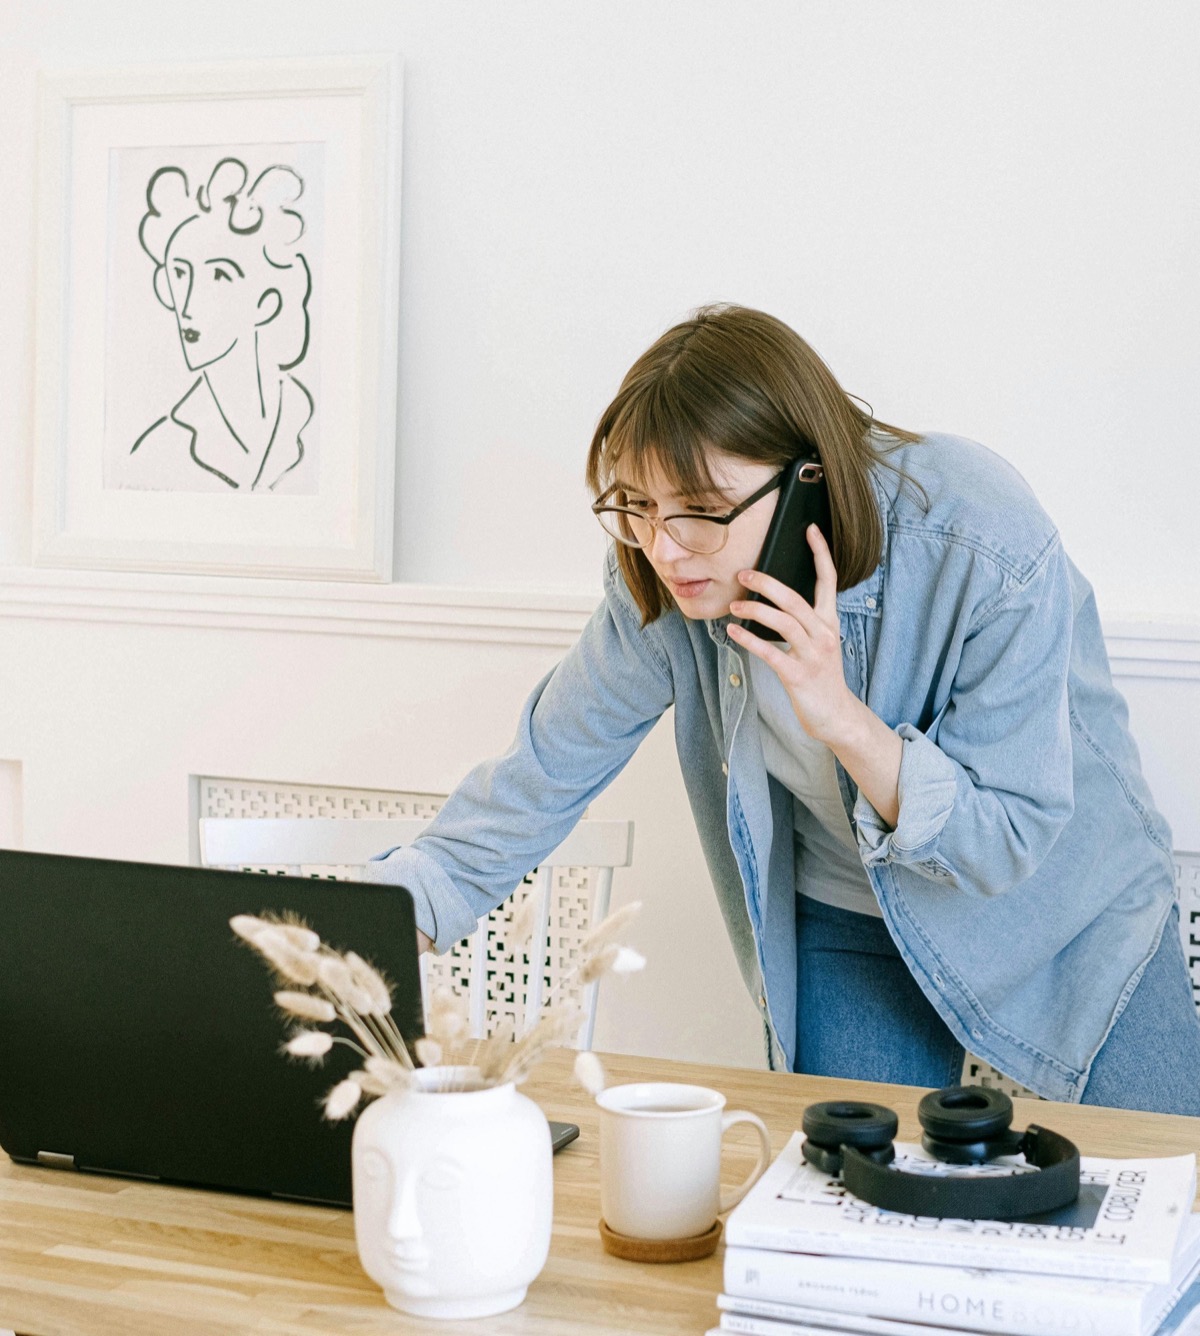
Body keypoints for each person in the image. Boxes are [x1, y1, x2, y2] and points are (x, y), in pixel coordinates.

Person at [367, 304, 1200, 1113]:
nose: (663, 547)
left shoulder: (980, 537)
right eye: (637, 506)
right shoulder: (660, 572)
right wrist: (373, 925)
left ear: (809, 480)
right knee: (844, 1222)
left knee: (1180, 1204)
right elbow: (539, 779)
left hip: (1067, 913)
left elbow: (1007, 837)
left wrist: (837, 714)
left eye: (698, 508)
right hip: (850, 916)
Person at [128, 158, 314, 492]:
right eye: (180, 274)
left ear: (265, 303)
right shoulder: (159, 451)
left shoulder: (314, 424)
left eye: (219, 275)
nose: (188, 305)